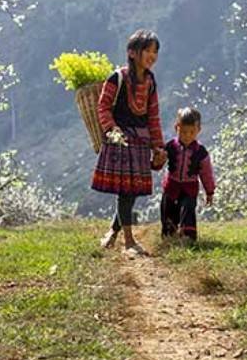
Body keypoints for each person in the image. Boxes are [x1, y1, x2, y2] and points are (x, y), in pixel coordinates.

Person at [92, 29, 167, 254]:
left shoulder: (150, 81)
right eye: (148, 50)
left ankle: (113, 233)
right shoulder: (118, 78)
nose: (152, 56)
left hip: (141, 143)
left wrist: (158, 145)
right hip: (121, 142)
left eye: (155, 52)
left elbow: (153, 115)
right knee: (125, 191)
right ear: (132, 53)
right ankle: (129, 240)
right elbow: (103, 107)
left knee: (131, 192)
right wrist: (112, 130)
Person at [160, 106, 215, 246]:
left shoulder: (200, 152)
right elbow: (159, 162)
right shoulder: (170, 146)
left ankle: (187, 237)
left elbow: (206, 173)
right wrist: (155, 161)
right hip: (171, 185)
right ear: (176, 128)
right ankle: (169, 236)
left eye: (192, 132)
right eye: (183, 132)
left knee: (188, 209)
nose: (187, 136)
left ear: (198, 130)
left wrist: (209, 191)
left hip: (190, 187)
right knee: (168, 210)